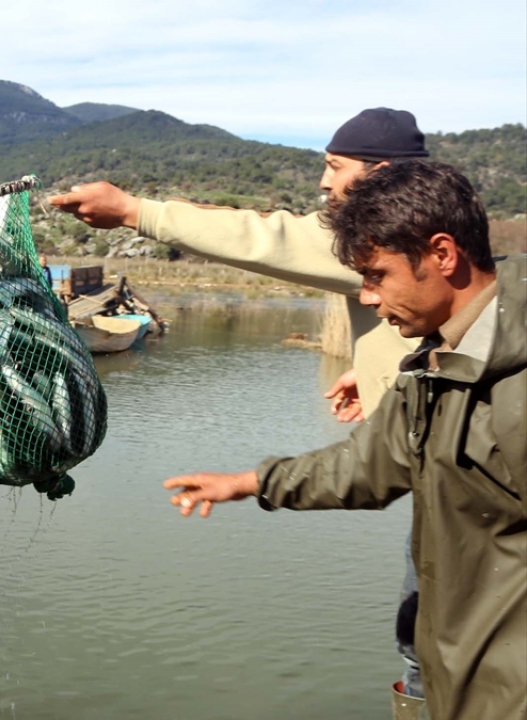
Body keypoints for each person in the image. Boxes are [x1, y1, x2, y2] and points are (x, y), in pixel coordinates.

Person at [48, 107, 432, 706]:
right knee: (426, 646)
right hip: (443, 496)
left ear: (381, 172)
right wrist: (382, 364)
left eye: (334, 168)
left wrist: (134, 212)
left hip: (462, 510)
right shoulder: (430, 246)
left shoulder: (390, 232)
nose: (324, 185)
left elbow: (267, 237)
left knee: (430, 652)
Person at [162, 161, 525, 720]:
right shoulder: (436, 363)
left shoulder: (513, 382)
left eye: (377, 275)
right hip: (463, 683)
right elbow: (368, 465)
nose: (369, 298)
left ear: (443, 255)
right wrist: (249, 482)